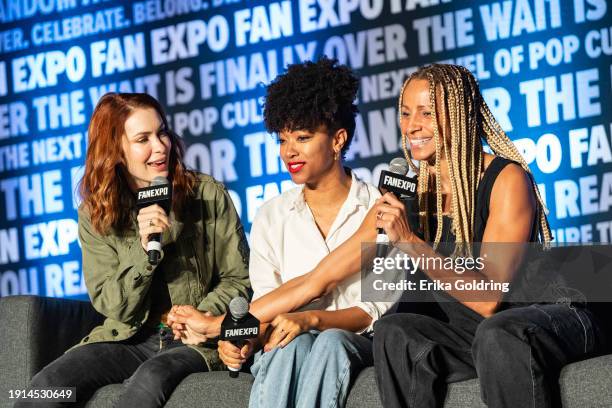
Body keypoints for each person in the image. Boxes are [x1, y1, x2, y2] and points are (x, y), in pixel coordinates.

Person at [370, 64, 609, 408]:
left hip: (541, 314)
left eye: (426, 112)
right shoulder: (422, 193)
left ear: (459, 114)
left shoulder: (505, 179)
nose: (411, 126)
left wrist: (411, 242)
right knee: (394, 332)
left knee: (498, 335)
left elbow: (488, 298)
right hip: (475, 330)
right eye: (406, 113)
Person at [174, 57, 392, 408]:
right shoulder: (272, 216)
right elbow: (268, 305)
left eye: (303, 138)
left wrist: (310, 319)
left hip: (354, 340)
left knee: (328, 341)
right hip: (288, 342)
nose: (289, 152)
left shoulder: (379, 209)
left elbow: (371, 311)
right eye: (282, 139)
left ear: (338, 139)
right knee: (292, 342)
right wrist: (243, 337)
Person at [16, 93, 250, 408]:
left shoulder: (207, 194)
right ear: (116, 151)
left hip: (195, 339)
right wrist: (143, 252)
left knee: (151, 376)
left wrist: (198, 316)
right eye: (143, 139)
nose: (160, 146)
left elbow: (239, 277)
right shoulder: (95, 215)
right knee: (44, 389)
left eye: (162, 132)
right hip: (130, 338)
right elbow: (112, 304)